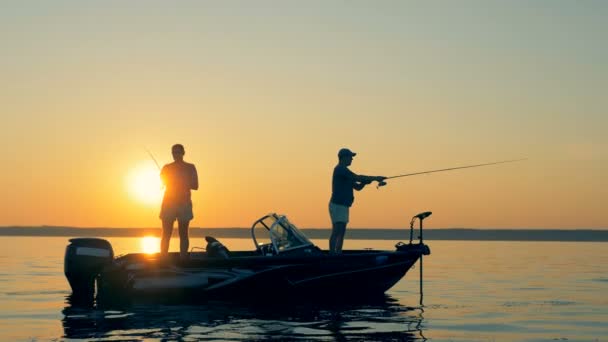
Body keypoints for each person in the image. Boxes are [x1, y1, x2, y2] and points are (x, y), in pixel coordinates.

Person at [329, 148, 386, 253]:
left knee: (342, 232)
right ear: (344, 157)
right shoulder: (340, 169)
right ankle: (332, 254)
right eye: (350, 157)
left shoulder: (345, 173)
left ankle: (338, 253)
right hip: (337, 205)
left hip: (343, 206)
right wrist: (375, 178)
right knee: (337, 231)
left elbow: (358, 187)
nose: (352, 159)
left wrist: (365, 182)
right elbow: (357, 177)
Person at [159, 144, 199, 259]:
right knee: (166, 234)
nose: (175, 155)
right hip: (168, 203)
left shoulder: (190, 167)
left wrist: (181, 181)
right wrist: (164, 179)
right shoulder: (166, 167)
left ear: (183, 153)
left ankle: (183, 258)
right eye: (173, 152)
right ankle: (163, 258)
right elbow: (161, 185)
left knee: (183, 234)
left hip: (184, 204)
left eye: (178, 152)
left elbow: (196, 186)